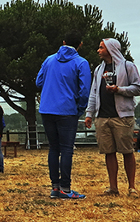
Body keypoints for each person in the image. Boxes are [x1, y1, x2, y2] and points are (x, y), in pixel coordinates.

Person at [84, 38, 140, 196]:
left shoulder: (128, 66)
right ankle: (113, 187)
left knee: (127, 151)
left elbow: (138, 88)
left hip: (122, 117)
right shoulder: (99, 69)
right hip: (102, 117)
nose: (98, 50)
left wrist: (119, 90)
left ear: (111, 49)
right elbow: (93, 93)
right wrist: (89, 114)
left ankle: (131, 187)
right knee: (108, 152)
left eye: (101, 47)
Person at [36, 30, 91, 199]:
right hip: (67, 110)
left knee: (54, 148)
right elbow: (85, 90)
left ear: (63, 42)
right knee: (67, 149)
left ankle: (55, 187)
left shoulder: (49, 59)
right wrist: (79, 108)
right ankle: (65, 188)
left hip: (47, 109)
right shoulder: (81, 63)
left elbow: (38, 81)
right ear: (80, 45)